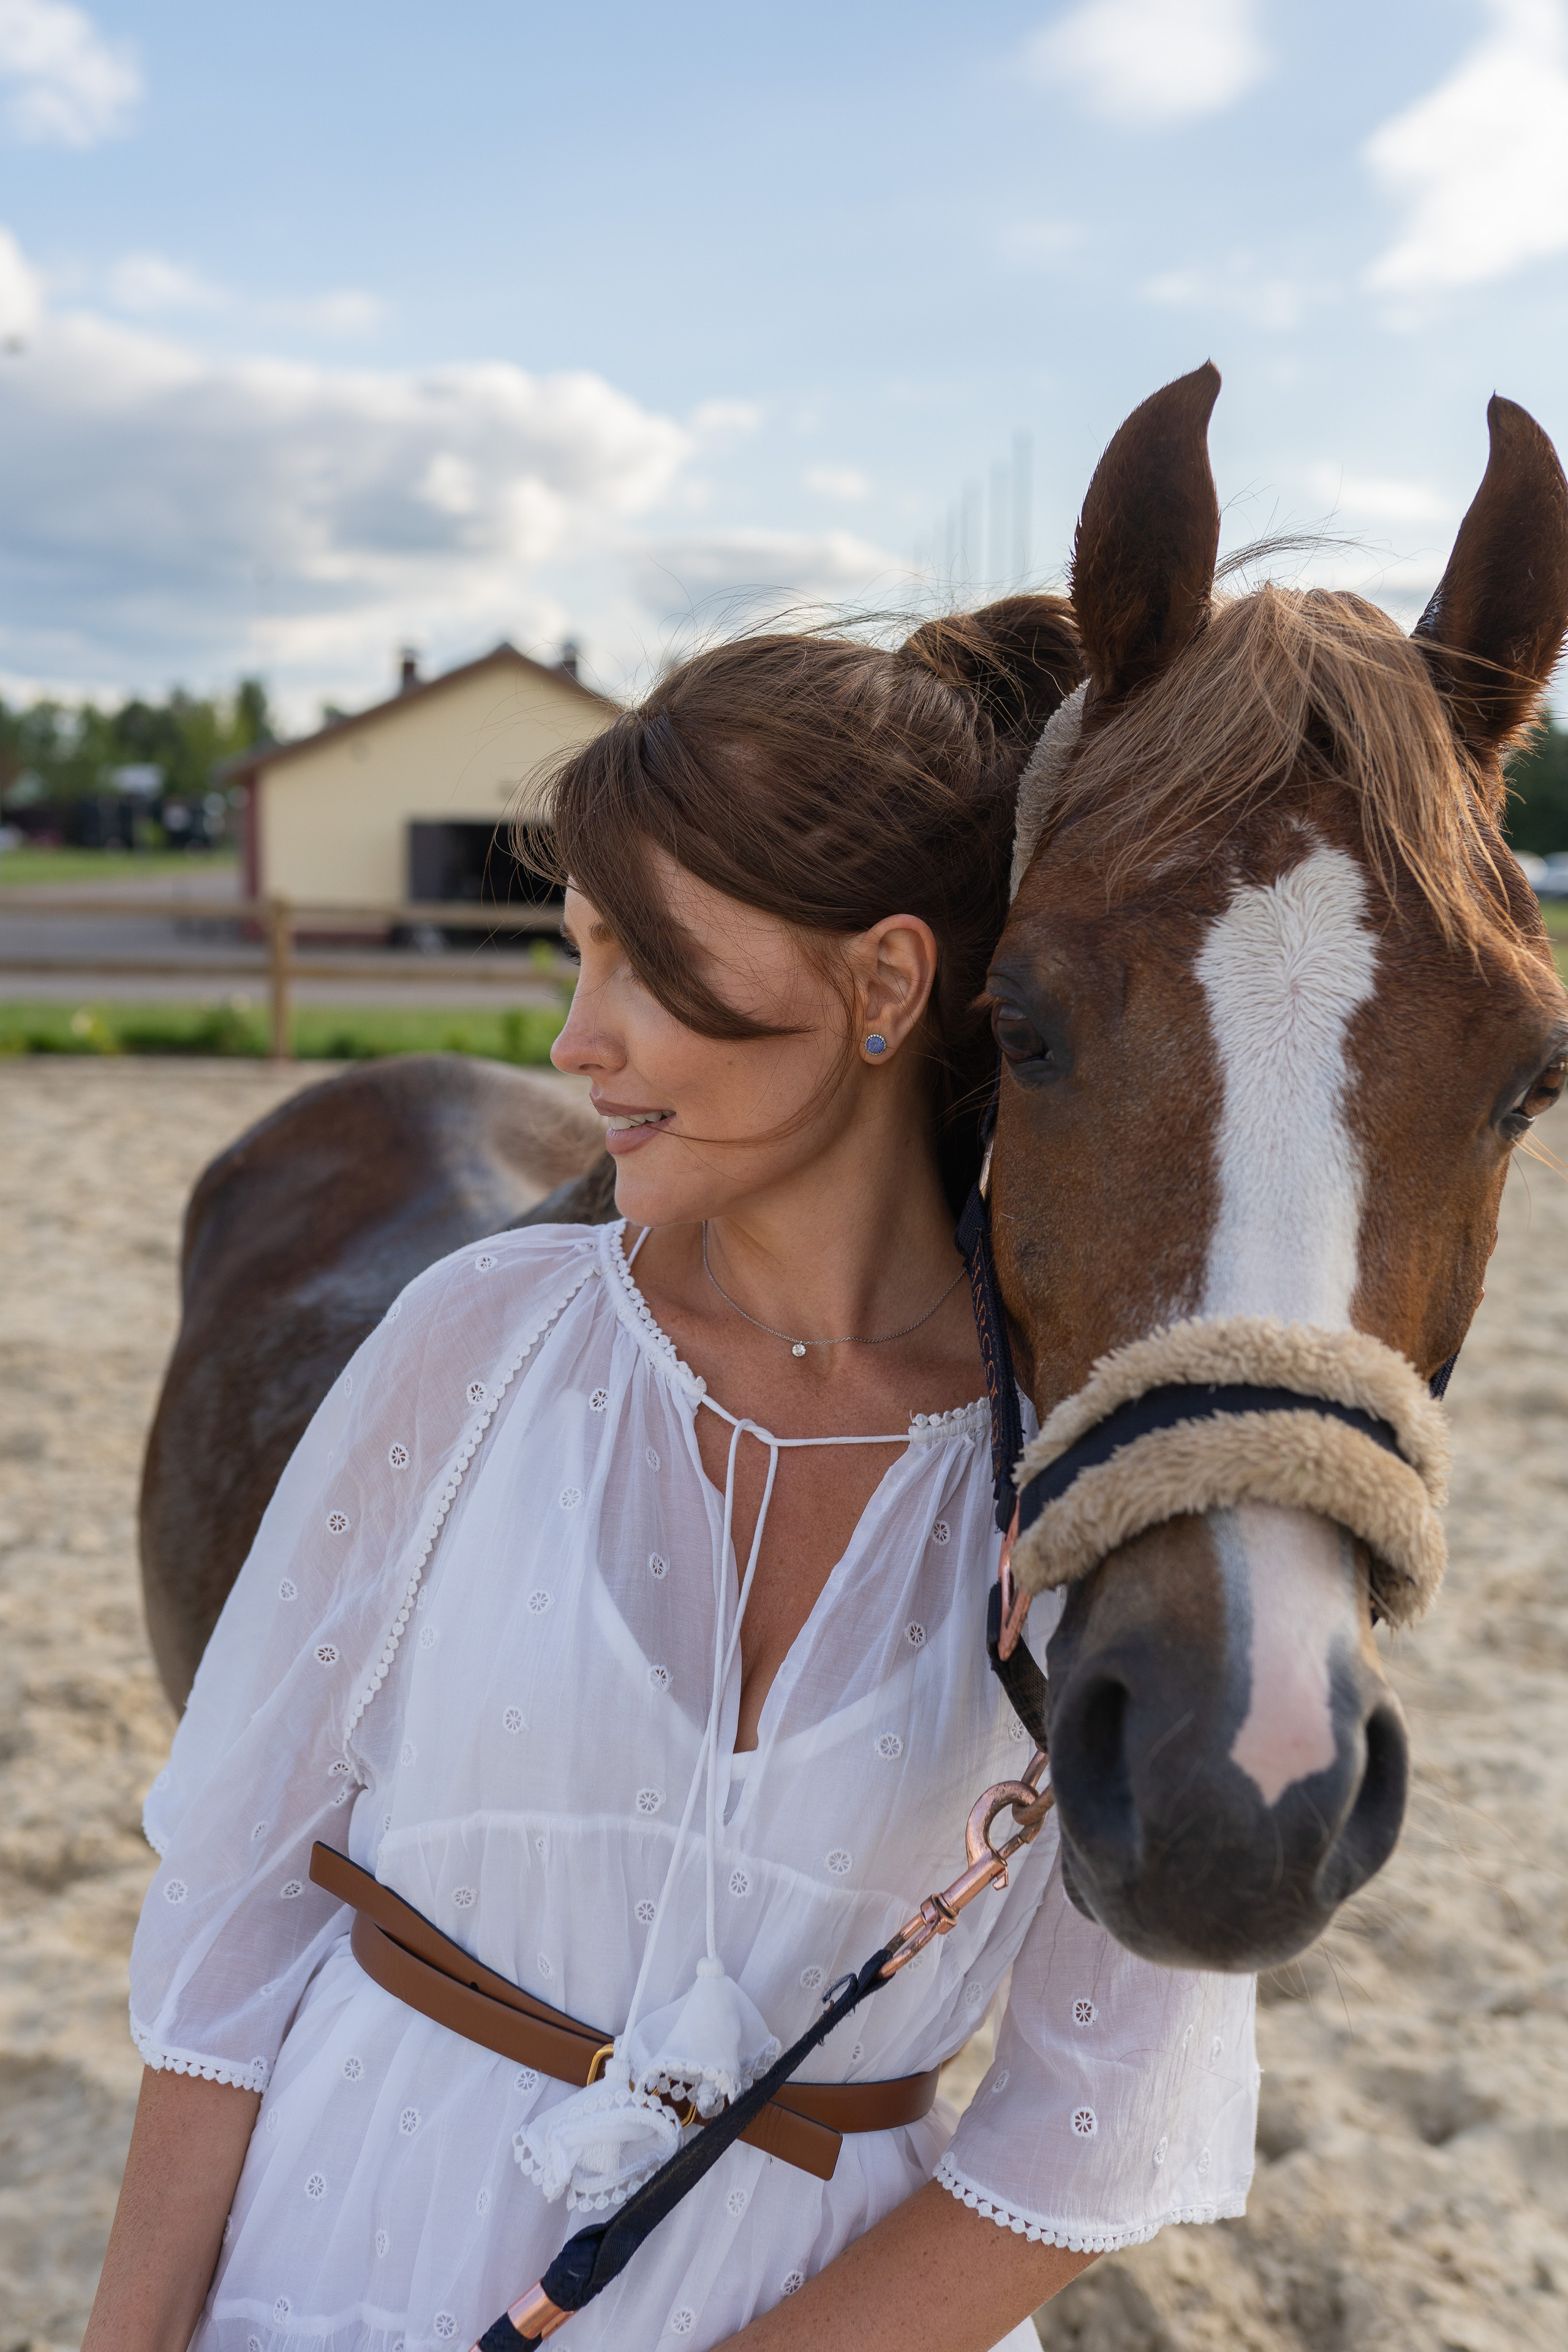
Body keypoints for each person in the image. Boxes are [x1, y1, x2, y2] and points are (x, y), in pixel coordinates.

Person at [86, 601, 1259, 2352]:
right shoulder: (478, 1340)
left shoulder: (1087, 1489)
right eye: (577, 953)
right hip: (336, 2260)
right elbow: (233, 1920)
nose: (575, 1042)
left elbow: (1096, 2122)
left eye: (644, 962)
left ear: (883, 983)